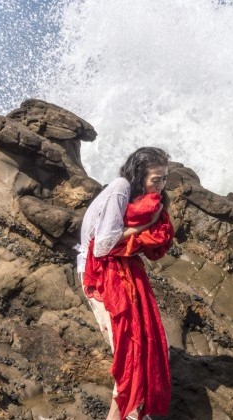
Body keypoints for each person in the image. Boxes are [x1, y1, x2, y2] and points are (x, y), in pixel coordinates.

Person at [77, 147, 173, 420]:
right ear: (139, 174)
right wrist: (144, 227)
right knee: (129, 352)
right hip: (98, 274)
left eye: (165, 179)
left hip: (118, 271)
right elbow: (103, 245)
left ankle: (127, 414)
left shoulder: (137, 198)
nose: (161, 185)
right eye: (156, 179)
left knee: (136, 350)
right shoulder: (120, 187)